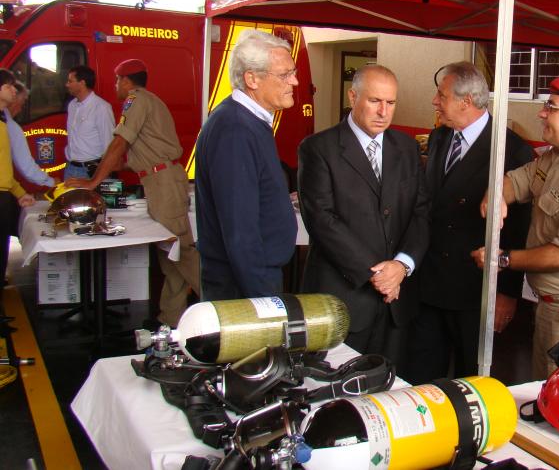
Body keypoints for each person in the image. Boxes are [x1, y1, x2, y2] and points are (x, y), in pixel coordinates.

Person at [473, 76, 559, 381]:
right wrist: (496, 197)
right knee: (542, 387)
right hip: (551, 305)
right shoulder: (555, 157)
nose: (541, 113)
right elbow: (513, 181)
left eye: (551, 107)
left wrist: (502, 259)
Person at [402, 62, 533, 384]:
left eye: (441, 95)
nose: (434, 101)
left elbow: (519, 228)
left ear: (467, 101)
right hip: (429, 284)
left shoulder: (511, 150)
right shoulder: (439, 137)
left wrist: (507, 293)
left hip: (475, 291)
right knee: (420, 379)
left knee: (469, 381)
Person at [297, 65, 429, 368]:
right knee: (334, 388)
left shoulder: (407, 148)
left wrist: (402, 265)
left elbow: (420, 213)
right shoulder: (318, 148)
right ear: (352, 96)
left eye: (391, 103)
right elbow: (322, 220)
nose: (383, 111)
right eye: (375, 101)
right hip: (343, 300)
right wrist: (378, 274)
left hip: (396, 303)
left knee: (389, 387)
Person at [65, 59, 200, 328]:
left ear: (126, 81)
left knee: (181, 249)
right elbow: (144, 150)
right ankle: (170, 318)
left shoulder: (136, 99)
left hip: (163, 182)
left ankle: (222, 305)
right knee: (170, 253)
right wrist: (120, 166)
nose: (115, 85)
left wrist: (94, 181)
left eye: (117, 80)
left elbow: (120, 141)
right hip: (159, 179)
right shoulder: (148, 101)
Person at [195, 29, 298, 300]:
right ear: (252, 79)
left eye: (293, 72)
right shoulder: (235, 129)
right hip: (243, 287)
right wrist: (263, 299)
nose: (295, 81)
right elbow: (240, 230)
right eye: (285, 75)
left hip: (249, 279)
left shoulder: (245, 121)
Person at [0, 69, 36, 287]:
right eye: (8, 86)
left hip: (4, 196)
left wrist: (20, 193)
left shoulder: (3, 123)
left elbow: (4, 169)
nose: (14, 90)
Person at [63, 65, 115, 180]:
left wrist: (103, 175)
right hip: (70, 168)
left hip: (91, 171)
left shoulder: (101, 108)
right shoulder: (72, 105)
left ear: (82, 83)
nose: (67, 85)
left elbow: (109, 145)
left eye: (70, 81)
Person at [6, 82, 56, 188]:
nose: (20, 109)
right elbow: (26, 166)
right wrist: (51, 182)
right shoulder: (11, 126)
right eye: (22, 104)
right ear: (14, 100)